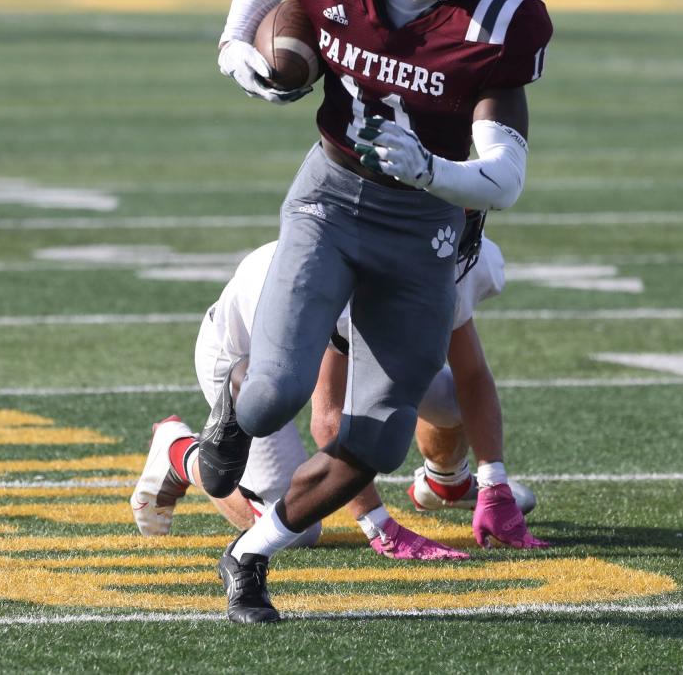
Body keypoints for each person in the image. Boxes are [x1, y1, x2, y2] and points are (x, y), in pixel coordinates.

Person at [207, 0, 552, 623]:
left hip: (423, 231)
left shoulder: (503, 15)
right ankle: (231, 408)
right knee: (274, 395)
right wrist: (236, 44)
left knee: (378, 443)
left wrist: (427, 170)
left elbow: (505, 178)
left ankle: (248, 556)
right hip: (330, 199)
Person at [130, 223, 545, 559]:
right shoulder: (349, 276)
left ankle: (447, 481)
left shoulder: (452, 257)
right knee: (296, 528)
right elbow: (328, 420)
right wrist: (380, 525)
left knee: (451, 400)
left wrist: (495, 482)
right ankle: (179, 452)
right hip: (249, 364)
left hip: (342, 340)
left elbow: (472, 377)